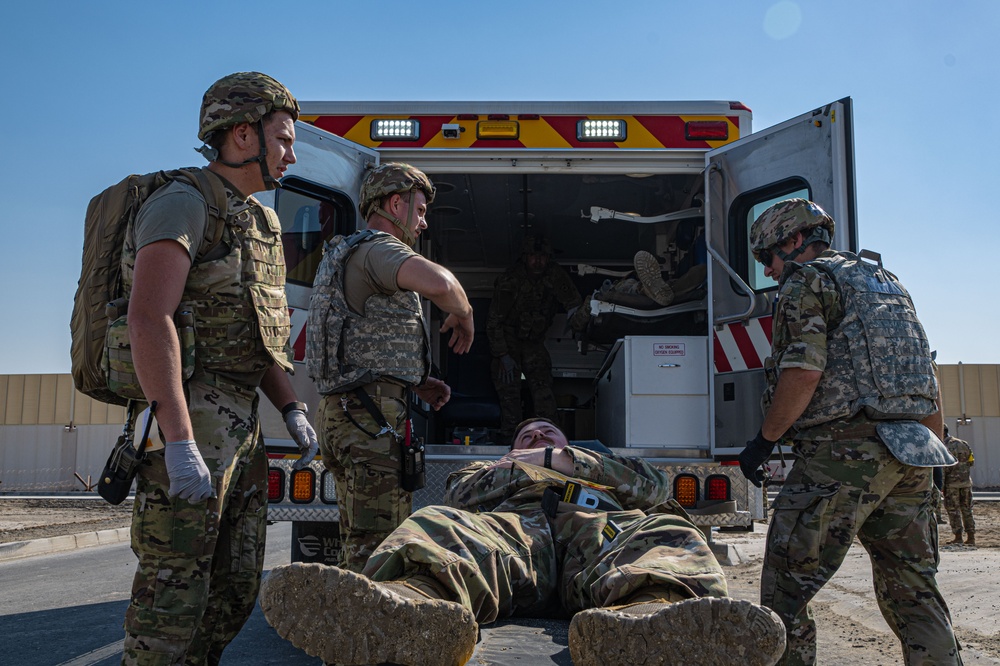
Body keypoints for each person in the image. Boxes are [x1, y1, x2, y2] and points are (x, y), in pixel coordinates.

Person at [259, 418, 787, 666]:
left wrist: (569, 462)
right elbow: (464, 496)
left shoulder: (599, 466)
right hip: (517, 534)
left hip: (596, 528)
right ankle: (409, 610)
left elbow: (649, 487)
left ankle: (651, 620)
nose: (538, 440)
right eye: (527, 436)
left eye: (548, 434)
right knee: (440, 524)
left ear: (569, 442)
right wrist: (519, 468)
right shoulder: (493, 470)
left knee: (665, 532)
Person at [121, 72, 319, 663]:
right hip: (191, 416)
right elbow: (148, 316)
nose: (291, 153)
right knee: (171, 600)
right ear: (240, 136)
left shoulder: (262, 222)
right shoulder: (185, 200)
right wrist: (178, 441)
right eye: (282, 139)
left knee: (233, 591)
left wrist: (291, 407)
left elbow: (255, 334)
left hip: (242, 425)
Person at [737, 198, 961, 665]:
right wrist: (933, 458)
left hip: (844, 456)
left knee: (786, 593)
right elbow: (925, 380)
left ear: (794, 241)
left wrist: (763, 441)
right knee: (916, 594)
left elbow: (803, 372)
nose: (770, 271)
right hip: (913, 454)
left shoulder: (807, 283)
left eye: (768, 259)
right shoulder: (888, 284)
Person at [307, 162, 475, 572]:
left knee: (358, 540)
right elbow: (443, 286)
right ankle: (364, 631)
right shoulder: (381, 248)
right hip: (368, 419)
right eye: (418, 211)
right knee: (379, 552)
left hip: (349, 411)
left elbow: (356, 345)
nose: (422, 223)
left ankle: (350, 628)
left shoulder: (347, 252)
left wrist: (413, 382)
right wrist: (465, 312)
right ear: (395, 204)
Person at [487, 234, 582, 444]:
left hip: (534, 342)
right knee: (509, 392)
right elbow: (494, 321)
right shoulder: (510, 280)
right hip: (508, 341)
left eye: (542, 257)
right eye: (532, 256)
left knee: (543, 391)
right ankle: (510, 443)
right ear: (524, 257)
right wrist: (502, 355)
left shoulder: (555, 276)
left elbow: (573, 303)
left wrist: (577, 320)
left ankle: (552, 441)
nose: (537, 261)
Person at [943, 424, 976, 545]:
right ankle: (971, 537)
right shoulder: (964, 443)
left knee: (953, 510)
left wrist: (941, 486)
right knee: (967, 509)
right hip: (966, 483)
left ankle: (958, 537)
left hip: (951, 485)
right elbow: (971, 461)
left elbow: (943, 468)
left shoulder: (944, 446)